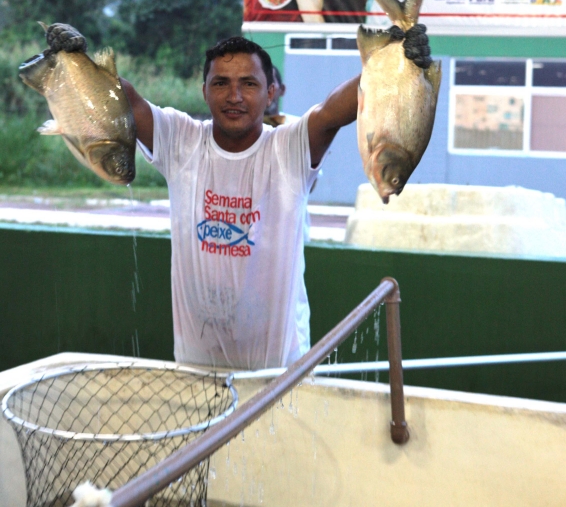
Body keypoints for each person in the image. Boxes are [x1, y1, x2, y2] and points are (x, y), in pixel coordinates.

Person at [43, 26, 430, 371]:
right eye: (220, 83)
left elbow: (332, 113)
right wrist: (76, 58)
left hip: (279, 375)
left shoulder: (288, 148)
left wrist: (389, 66)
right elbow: (127, 100)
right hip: (195, 369)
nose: (234, 96)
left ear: (270, 92)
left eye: (248, 84)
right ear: (204, 91)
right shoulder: (182, 141)